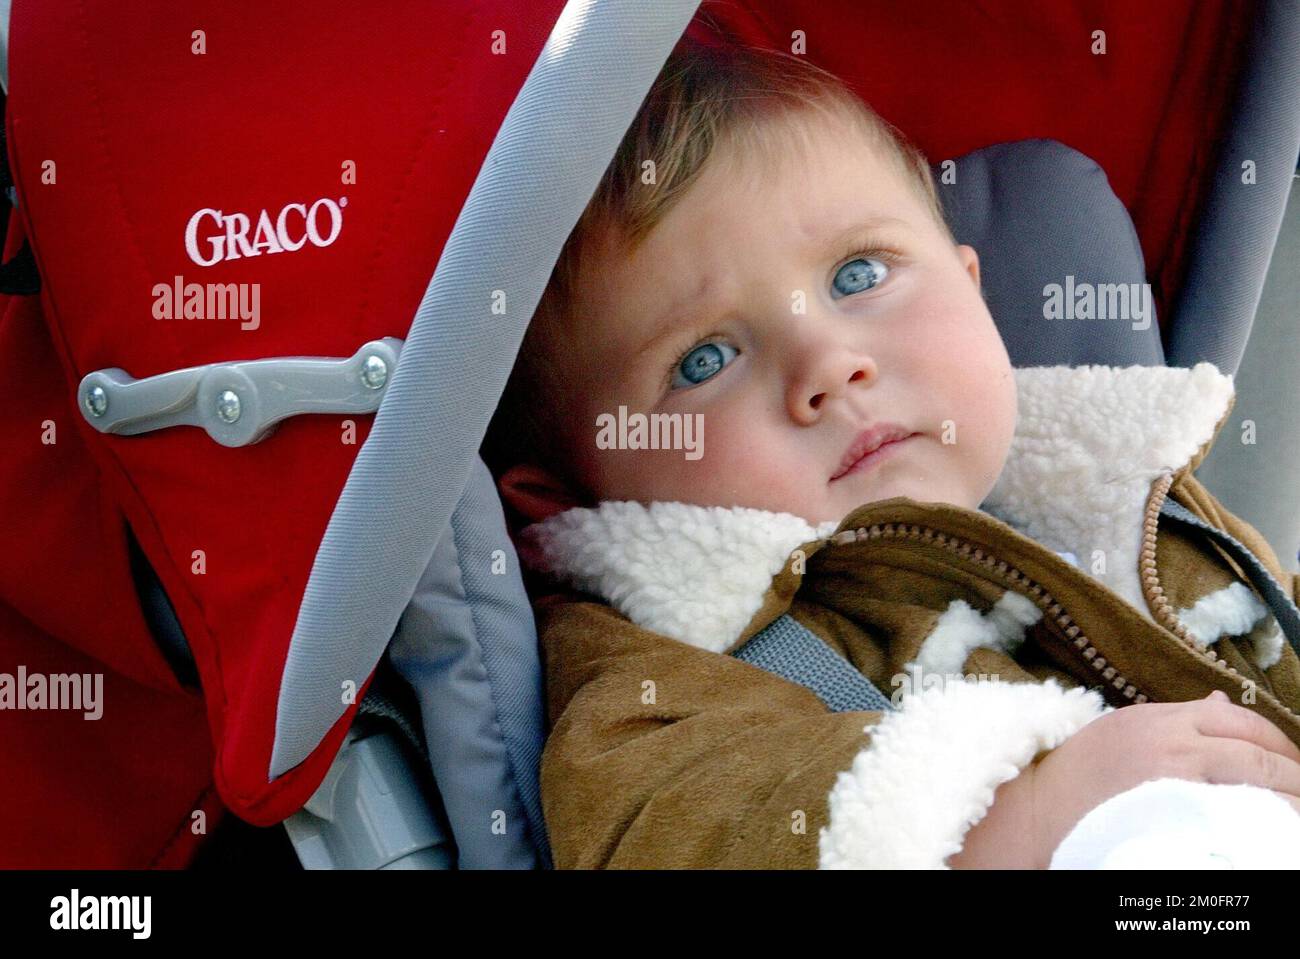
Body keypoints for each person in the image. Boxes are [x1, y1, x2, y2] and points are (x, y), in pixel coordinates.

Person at [480, 41, 1300, 868]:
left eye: (859, 274)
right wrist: (1006, 818)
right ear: (565, 502)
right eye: (705, 361)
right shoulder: (658, 678)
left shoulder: (1140, 507)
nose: (829, 367)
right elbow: (671, 824)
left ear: (970, 284)